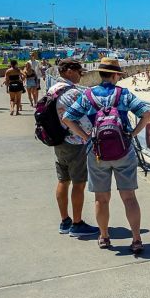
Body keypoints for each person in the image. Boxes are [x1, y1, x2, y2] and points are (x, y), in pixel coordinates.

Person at [62, 58, 150, 253]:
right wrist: (132, 134)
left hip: (97, 152)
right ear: (114, 75)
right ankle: (136, 239)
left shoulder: (88, 95)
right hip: (123, 150)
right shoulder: (124, 94)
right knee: (129, 198)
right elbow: (147, 114)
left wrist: (86, 137)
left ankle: (104, 237)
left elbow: (67, 118)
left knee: (101, 198)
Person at [49, 59, 99, 237]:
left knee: (63, 180)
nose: (81, 75)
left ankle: (65, 221)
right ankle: (77, 224)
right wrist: (90, 136)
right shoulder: (72, 93)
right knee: (79, 183)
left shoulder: (53, 89)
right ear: (69, 71)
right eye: (80, 71)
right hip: (74, 142)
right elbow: (83, 120)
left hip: (58, 140)